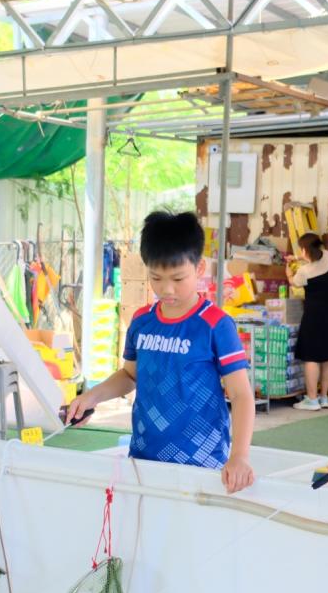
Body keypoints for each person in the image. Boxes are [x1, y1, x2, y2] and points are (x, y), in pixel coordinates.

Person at [63, 211, 256, 494]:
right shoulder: (142, 321)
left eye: (178, 278)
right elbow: (130, 375)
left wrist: (239, 456)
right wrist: (91, 397)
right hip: (143, 458)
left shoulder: (215, 325)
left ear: (200, 268)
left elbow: (240, 395)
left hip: (202, 464)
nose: (166, 289)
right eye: (156, 277)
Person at [290, 232, 328, 411]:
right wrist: (298, 257)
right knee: (327, 357)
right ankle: (324, 397)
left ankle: (311, 400)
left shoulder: (304, 272)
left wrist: (288, 273)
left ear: (305, 250)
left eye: (301, 250)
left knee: (311, 356)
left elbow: (294, 282)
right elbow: (315, 256)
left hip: (314, 314)